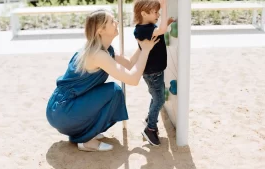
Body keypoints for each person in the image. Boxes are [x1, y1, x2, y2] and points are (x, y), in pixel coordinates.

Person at [46, 9, 159, 152]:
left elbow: (129, 64)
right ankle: (86, 140)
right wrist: (146, 51)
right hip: (64, 111)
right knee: (112, 91)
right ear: (100, 30)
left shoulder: (105, 50)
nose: (117, 22)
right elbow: (132, 79)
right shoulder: (97, 54)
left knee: (112, 91)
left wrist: (142, 46)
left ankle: (85, 132)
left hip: (62, 108)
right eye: (112, 21)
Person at [133, 0, 174, 146]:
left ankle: (150, 117)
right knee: (159, 100)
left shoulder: (149, 26)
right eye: (155, 12)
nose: (158, 14)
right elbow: (160, 31)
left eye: (158, 11)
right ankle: (150, 128)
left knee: (156, 96)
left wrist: (166, 23)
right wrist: (163, 6)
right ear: (144, 13)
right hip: (152, 73)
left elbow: (159, 30)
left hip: (156, 71)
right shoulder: (142, 30)